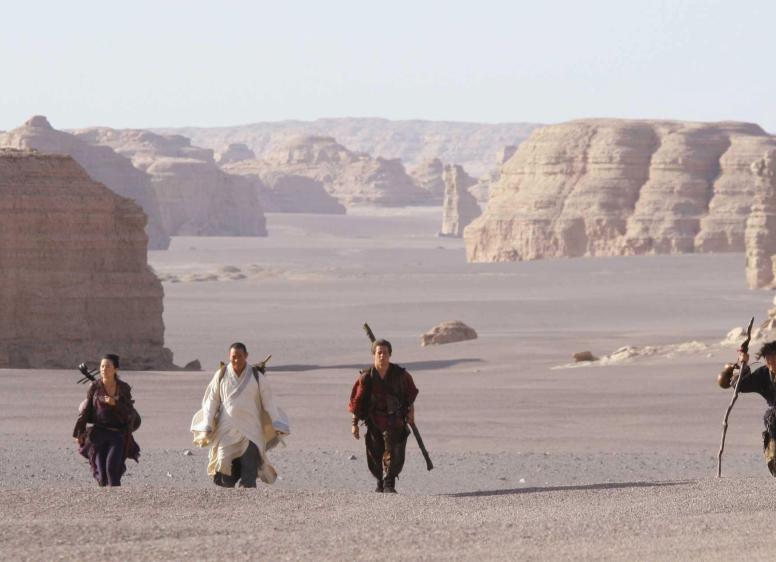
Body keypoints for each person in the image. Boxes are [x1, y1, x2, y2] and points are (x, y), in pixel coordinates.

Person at [190, 342, 289, 488]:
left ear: (246, 356)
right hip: (226, 430)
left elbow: (269, 402)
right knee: (223, 464)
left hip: (251, 430)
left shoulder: (256, 376)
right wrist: (208, 423)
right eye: (233, 357)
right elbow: (211, 401)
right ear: (229, 357)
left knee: (249, 465)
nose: (236, 360)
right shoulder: (221, 375)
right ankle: (228, 497)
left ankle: (247, 497)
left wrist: (277, 422)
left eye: (240, 356)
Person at [348, 338, 419, 493]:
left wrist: (411, 413)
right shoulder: (366, 376)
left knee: (394, 450)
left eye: (385, 353)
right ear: (374, 354)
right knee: (375, 451)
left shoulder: (400, 375)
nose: (382, 356)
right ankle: (380, 481)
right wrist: (354, 424)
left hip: (395, 420)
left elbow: (410, 395)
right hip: (374, 419)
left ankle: (389, 483)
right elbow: (356, 401)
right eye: (379, 353)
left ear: (390, 354)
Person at [72, 353, 140, 487]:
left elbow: (129, 411)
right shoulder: (94, 386)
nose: (104, 369)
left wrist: (115, 403)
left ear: (116, 369)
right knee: (102, 475)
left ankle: (116, 499)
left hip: (117, 434)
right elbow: (86, 411)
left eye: (108, 366)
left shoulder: (123, 388)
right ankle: (105, 499)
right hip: (97, 434)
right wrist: (79, 433)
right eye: (102, 366)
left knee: (112, 470)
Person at [718, 340, 776, 475]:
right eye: (768, 360)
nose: (771, 363)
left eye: (774, 358)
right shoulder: (764, 374)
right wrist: (744, 366)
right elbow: (741, 385)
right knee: (771, 419)